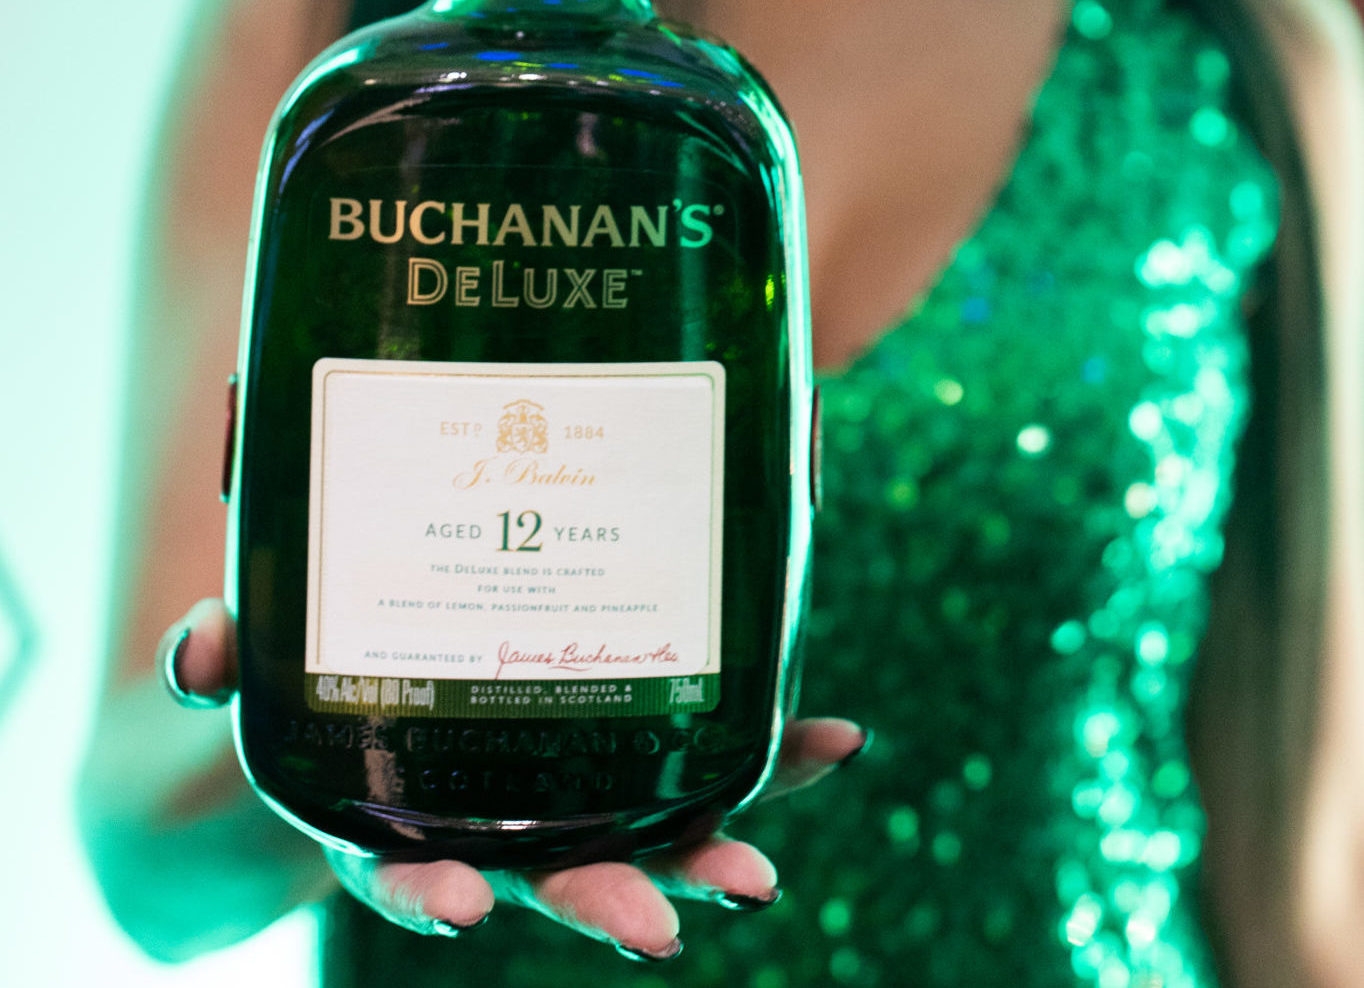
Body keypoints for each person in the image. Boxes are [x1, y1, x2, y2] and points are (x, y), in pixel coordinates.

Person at [77, 0, 1364, 985]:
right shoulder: (324, 38)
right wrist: (331, 756)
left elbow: (1305, 877)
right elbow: (147, 876)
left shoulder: (1238, 60)